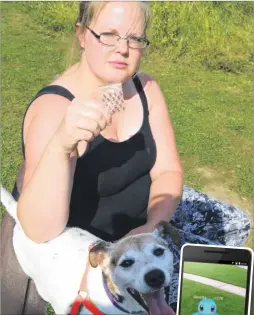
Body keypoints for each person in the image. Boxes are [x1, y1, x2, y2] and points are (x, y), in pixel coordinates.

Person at [12, 1, 250, 312]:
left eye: (135, 38)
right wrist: (61, 145)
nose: (123, 49)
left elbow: (168, 172)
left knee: (237, 224)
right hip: (108, 255)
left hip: (149, 226)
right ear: (82, 34)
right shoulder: (54, 110)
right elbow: (39, 230)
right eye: (108, 35)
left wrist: (153, 224)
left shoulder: (144, 87)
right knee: (214, 293)